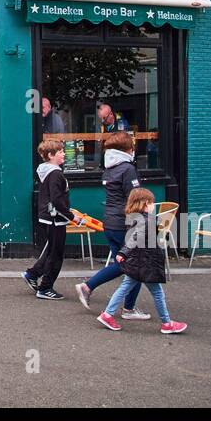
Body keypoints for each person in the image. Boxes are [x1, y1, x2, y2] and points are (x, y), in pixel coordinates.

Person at [73, 131, 148, 318]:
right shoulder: (127, 169)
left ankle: (90, 288)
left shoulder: (109, 167)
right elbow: (135, 198)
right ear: (127, 148)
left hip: (111, 223)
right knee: (134, 265)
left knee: (123, 263)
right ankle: (125, 307)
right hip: (125, 223)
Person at [96, 187, 187, 334]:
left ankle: (107, 315)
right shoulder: (147, 220)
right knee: (157, 293)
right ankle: (167, 323)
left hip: (136, 262)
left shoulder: (133, 218)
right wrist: (124, 252)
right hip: (147, 263)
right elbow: (136, 237)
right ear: (145, 203)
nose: (153, 205)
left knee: (124, 287)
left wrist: (124, 253)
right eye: (151, 202)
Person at [22, 138, 82, 300]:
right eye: (60, 152)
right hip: (55, 218)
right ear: (50, 155)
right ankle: (45, 287)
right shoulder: (55, 174)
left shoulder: (49, 172)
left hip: (50, 217)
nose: (64, 154)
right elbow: (56, 200)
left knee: (50, 251)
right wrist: (72, 217)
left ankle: (32, 274)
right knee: (56, 254)